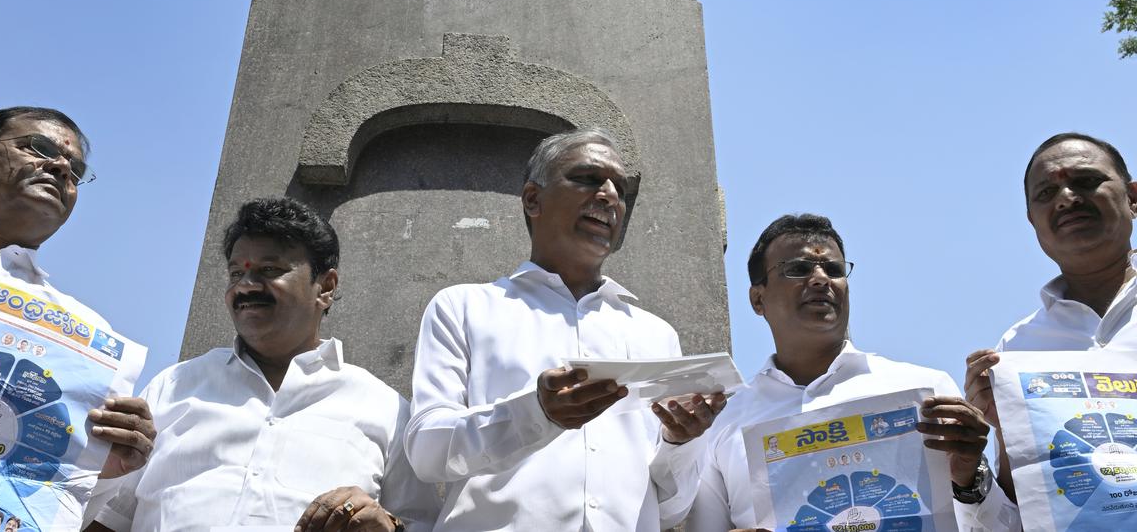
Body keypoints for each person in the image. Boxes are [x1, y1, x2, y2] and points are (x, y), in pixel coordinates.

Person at [405, 128, 726, 531]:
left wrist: (681, 442)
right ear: (533, 200)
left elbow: (669, 510)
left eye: (620, 188)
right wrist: (536, 413)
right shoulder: (464, 307)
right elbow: (427, 450)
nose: (609, 195)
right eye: (588, 178)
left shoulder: (655, 335)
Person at [88, 197, 438, 532]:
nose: (246, 286)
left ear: (326, 287)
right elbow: (108, 520)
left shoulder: (387, 410)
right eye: (236, 273)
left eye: (269, 270)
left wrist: (384, 525)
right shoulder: (173, 387)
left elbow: (422, 524)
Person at [686, 214, 1020, 532]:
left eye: (833, 269)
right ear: (758, 299)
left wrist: (970, 480)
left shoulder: (925, 390)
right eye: (798, 269)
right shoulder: (723, 420)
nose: (820, 279)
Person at [0, 107, 156, 515]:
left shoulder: (89, 331)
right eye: (37, 148)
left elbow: (61, 505)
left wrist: (102, 468)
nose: (60, 167)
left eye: (75, 170)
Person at [965, 132, 1137, 501]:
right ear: (1032, 220)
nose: (1066, 199)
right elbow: (1022, 502)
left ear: (1133, 197)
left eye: (1086, 181)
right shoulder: (1016, 349)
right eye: (1046, 193)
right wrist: (998, 433)